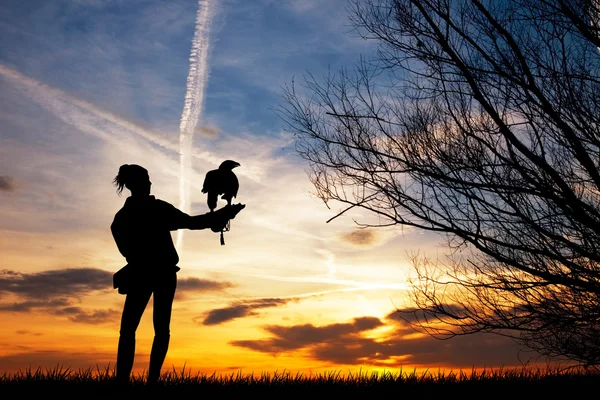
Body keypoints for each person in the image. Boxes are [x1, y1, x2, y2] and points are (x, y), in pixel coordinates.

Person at [110, 164, 245, 385]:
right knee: (158, 329)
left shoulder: (122, 217)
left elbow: (126, 249)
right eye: (146, 179)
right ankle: (150, 382)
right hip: (160, 273)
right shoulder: (156, 209)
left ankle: (122, 382)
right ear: (138, 184)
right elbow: (192, 223)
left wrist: (221, 215)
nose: (150, 183)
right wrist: (222, 215)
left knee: (129, 330)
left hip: (141, 273)